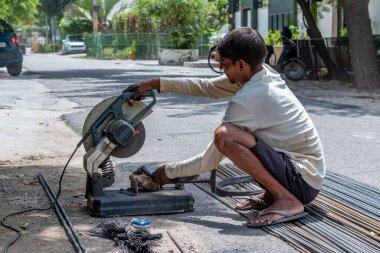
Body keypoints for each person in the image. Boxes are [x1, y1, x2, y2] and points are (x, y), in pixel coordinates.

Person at [126, 27, 325, 227]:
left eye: (224, 65)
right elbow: (207, 87)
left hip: (302, 181)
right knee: (240, 137)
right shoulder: (262, 74)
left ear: (241, 65)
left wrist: (165, 173)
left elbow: (209, 160)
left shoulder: (252, 96)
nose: (222, 70)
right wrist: (154, 83)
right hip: (304, 175)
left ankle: (286, 198)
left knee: (225, 136)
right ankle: (274, 193)